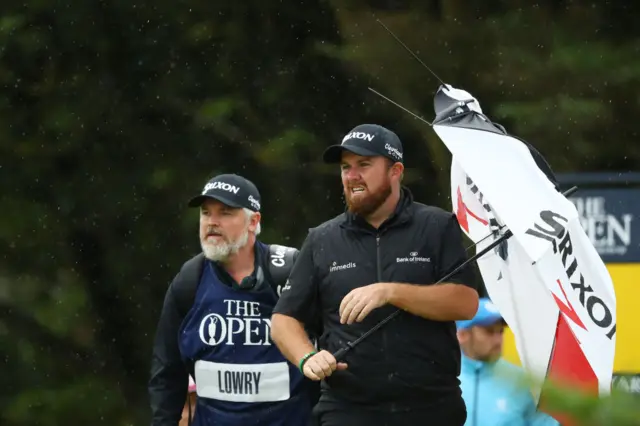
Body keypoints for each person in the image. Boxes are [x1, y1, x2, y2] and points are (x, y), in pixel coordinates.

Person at [270, 124, 480, 426]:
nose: (352, 176)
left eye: (364, 165)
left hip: (431, 408)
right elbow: (283, 320)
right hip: (349, 411)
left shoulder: (436, 226)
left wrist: (391, 292)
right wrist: (307, 357)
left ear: (395, 170)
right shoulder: (322, 239)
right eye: (346, 167)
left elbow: (465, 302)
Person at [149, 173, 316, 426]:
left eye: (225, 213)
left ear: (253, 221)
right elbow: (167, 372)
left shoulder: (287, 270)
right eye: (206, 213)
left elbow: (330, 350)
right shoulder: (189, 280)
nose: (212, 222)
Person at [456, 298, 560, 426]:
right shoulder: (441, 380)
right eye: (489, 332)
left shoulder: (524, 381)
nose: (498, 340)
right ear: (462, 335)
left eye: (500, 331)